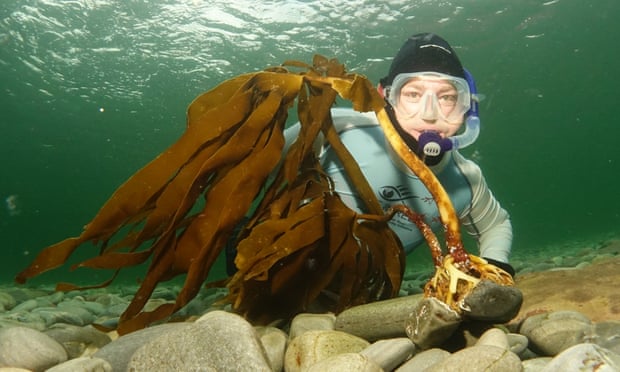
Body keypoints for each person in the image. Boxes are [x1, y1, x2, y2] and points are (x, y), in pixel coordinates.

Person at [284, 32, 515, 277]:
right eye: (413, 94)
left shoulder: (467, 178)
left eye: (447, 97)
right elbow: (251, 172)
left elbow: (496, 224)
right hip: (284, 274)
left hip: (370, 293)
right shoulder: (335, 129)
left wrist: (494, 265)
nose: (430, 114)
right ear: (386, 96)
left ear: (466, 108)